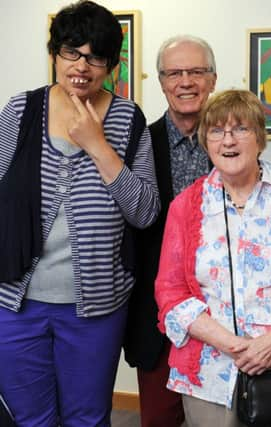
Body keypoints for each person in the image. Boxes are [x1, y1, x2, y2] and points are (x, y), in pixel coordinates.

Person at [0, 1, 160, 426]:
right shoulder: (20, 111)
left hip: (95, 308)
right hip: (16, 304)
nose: (82, 66)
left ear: (110, 65)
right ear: (54, 54)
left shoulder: (127, 118)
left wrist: (97, 145)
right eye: (72, 51)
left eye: (96, 56)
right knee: (29, 418)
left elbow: (144, 212)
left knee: (87, 419)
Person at [154, 89, 271, 427]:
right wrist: (237, 346)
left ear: (260, 137)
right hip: (209, 370)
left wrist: (270, 343)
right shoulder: (185, 206)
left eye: (241, 128)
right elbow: (170, 294)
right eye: (216, 131)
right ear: (206, 141)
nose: (228, 140)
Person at [123, 34, 216, 427]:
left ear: (213, 79)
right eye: (175, 73)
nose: (186, 82)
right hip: (158, 321)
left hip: (222, 319)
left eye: (196, 71)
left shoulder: (235, 140)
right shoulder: (138, 143)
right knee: (159, 420)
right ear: (161, 82)